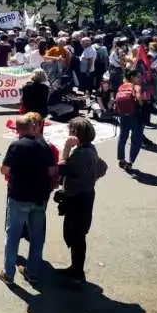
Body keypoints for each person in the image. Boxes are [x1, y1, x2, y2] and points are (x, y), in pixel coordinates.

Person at [0, 114, 57, 285]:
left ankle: (8, 273)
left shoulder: (16, 146)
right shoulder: (43, 145)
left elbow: (5, 169)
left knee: (13, 234)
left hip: (19, 196)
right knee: (37, 236)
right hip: (39, 197)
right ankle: (33, 272)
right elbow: (52, 171)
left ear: (17, 130)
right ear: (32, 128)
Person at [56, 118, 108, 286]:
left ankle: (77, 274)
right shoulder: (90, 149)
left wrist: (66, 148)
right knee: (75, 234)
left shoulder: (81, 154)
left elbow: (62, 169)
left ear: (76, 134)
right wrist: (89, 177)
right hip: (85, 194)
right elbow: (102, 168)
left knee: (76, 234)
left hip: (78, 197)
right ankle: (75, 268)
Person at [115, 69, 146, 171]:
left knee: (123, 137)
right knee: (136, 139)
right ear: (132, 77)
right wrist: (142, 103)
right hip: (135, 115)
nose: (139, 78)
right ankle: (130, 161)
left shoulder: (121, 86)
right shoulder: (136, 86)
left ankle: (121, 159)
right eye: (138, 77)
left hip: (123, 115)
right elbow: (139, 99)